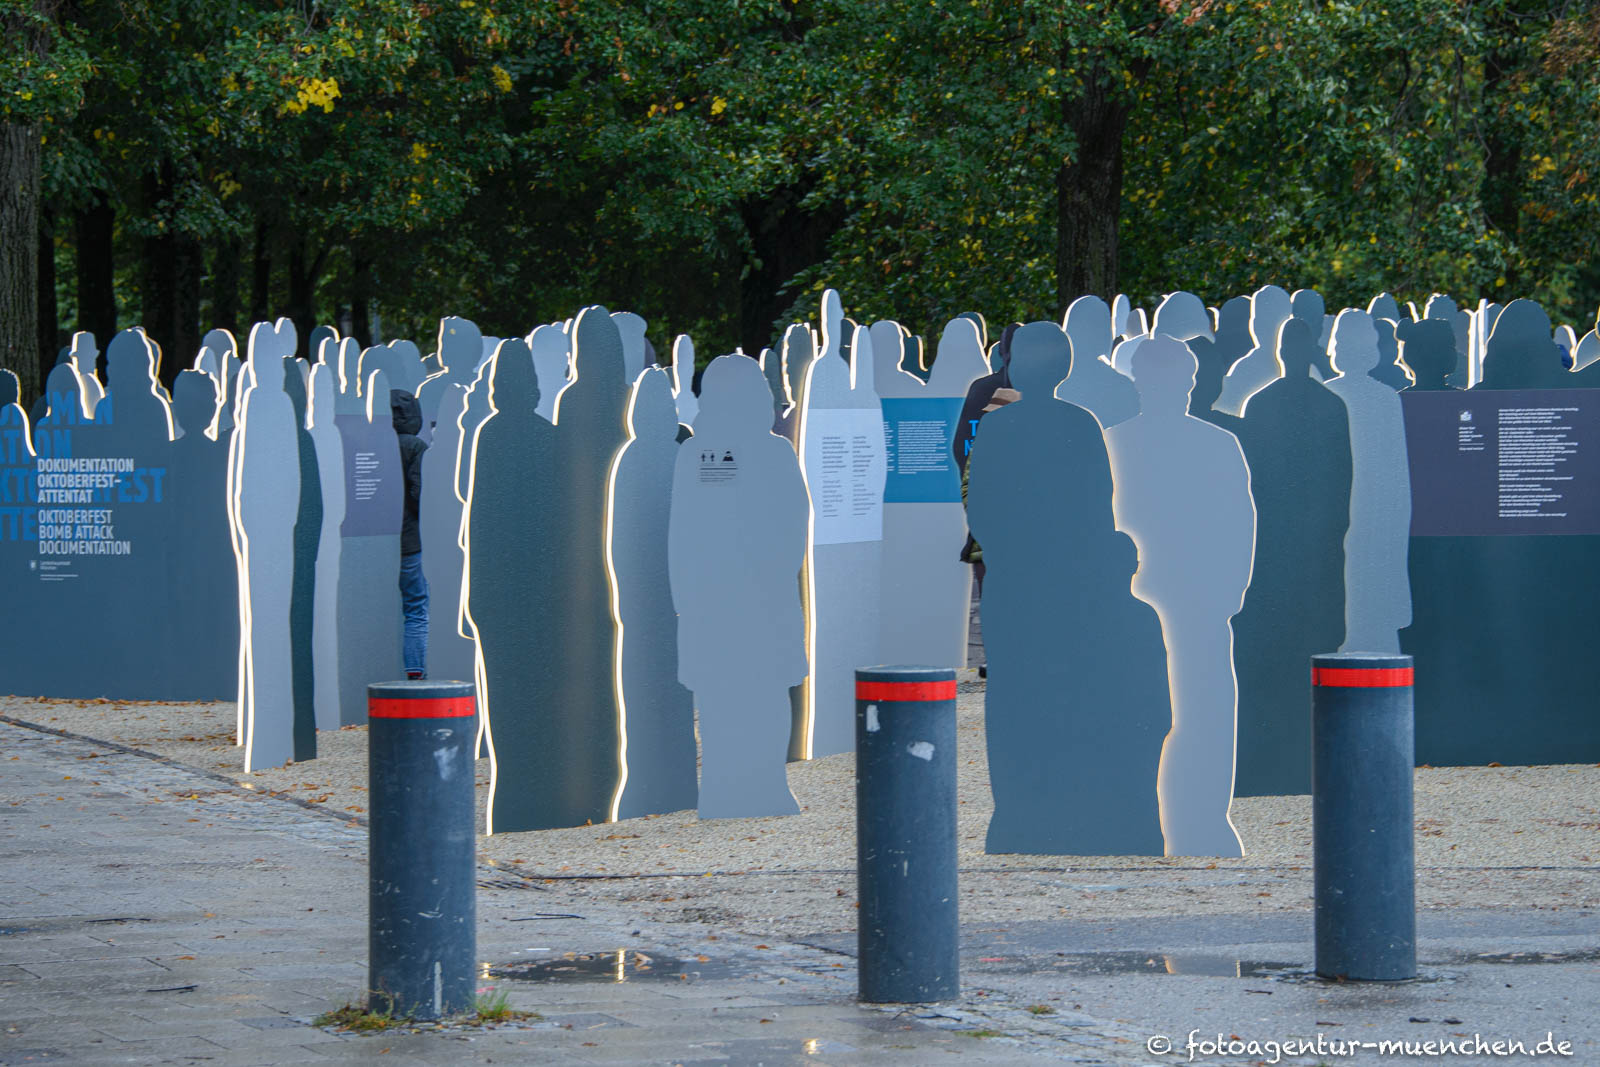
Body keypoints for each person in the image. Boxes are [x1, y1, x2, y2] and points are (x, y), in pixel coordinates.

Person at [391, 389, 429, 679]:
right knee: (416, 609)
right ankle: (416, 672)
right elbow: (419, 495)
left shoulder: (373, 441)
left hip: (378, 542)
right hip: (410, 541)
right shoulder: (415, 447)